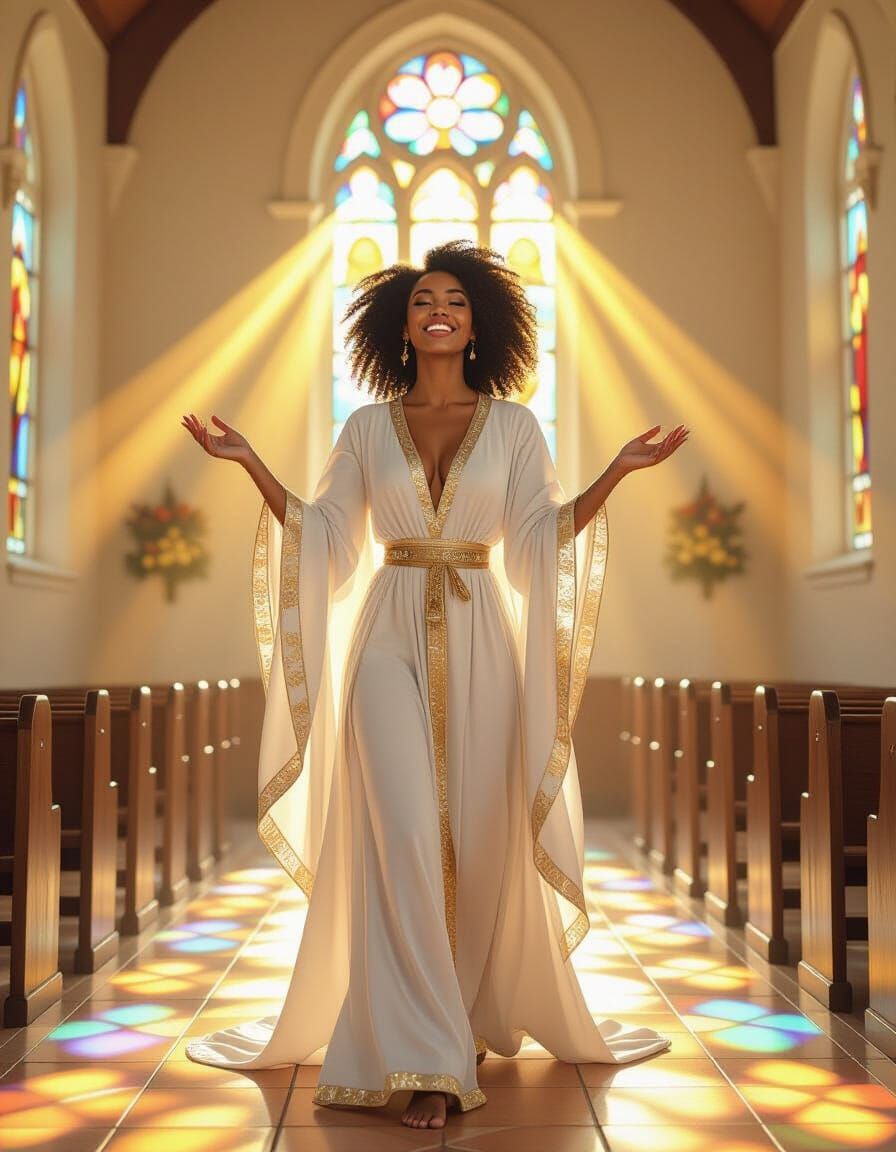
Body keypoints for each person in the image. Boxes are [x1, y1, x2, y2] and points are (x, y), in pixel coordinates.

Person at [181, 240, 688, 1130]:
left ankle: (455, 1015)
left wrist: (616, 472)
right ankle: (424, 1059)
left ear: (479, 321)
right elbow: (328, 534)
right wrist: (251, 463)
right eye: (422, 301)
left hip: (483, 631)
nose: (438, 310)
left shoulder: (519, 427)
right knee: (406, 833)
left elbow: (536, 542)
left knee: (482, 841)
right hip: (387, 629)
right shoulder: (368, 427)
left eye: (454, 298)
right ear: (401, 326)